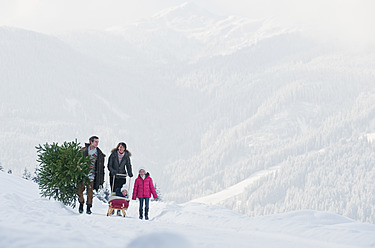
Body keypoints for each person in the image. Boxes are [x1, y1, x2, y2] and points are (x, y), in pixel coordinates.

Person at [78, 136, 105, 214]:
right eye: (95, 142)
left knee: (90, 192)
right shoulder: (83, 151)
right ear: (91, 142)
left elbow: (101, 168)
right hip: (82, 174)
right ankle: (81, 203)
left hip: (92, 175)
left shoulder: (99, 154)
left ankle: (88, 207)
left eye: (98, 142)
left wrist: (101, 180)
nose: (97, 143)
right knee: (80, 191)